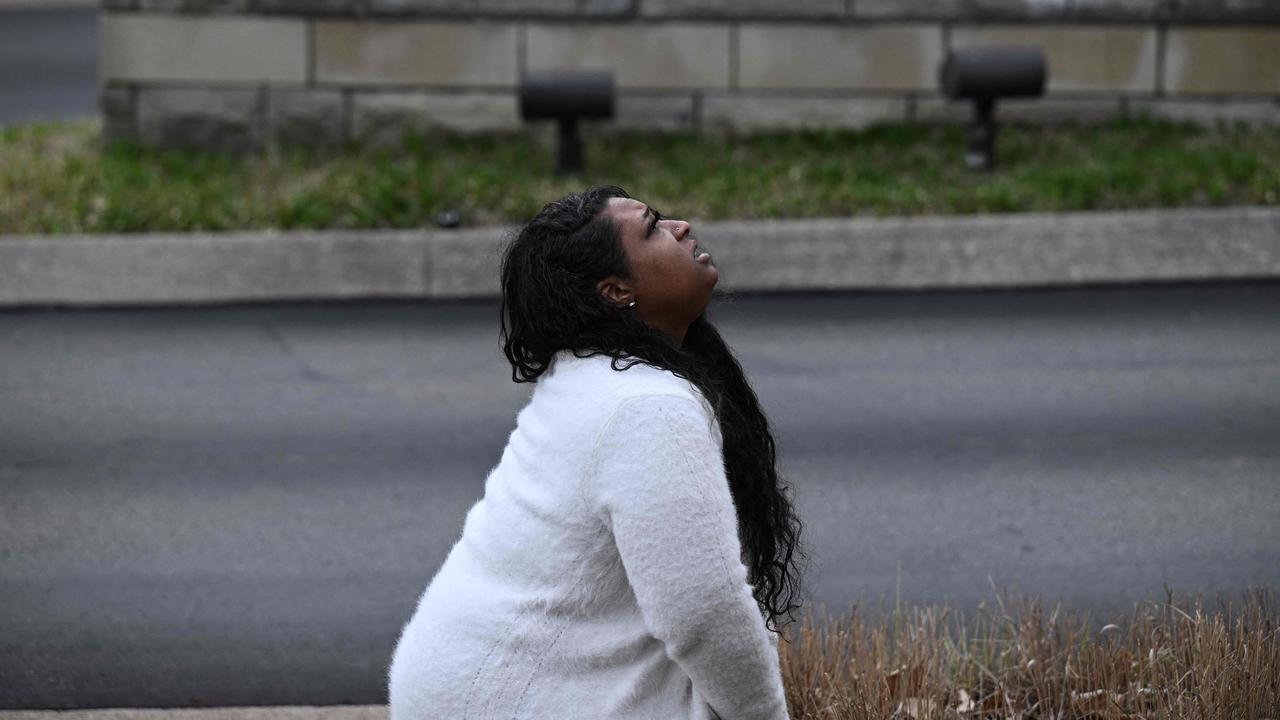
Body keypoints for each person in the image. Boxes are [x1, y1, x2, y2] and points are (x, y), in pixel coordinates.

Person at [387, 185, 807, 719]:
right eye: (653, 228)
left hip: (460, 685)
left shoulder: (592, 373)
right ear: (615, 290)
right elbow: (703, 612)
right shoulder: (646, 405)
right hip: (500, 699)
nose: (681, 226)